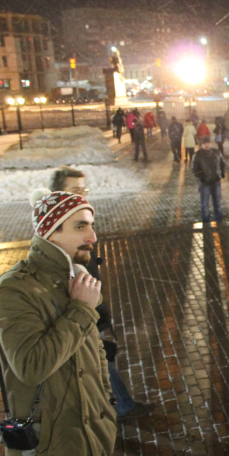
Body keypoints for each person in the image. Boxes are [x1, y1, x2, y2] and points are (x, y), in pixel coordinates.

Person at [0, 189, 116, 456]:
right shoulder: (15, 289)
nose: (92, 236)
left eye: (91, 225)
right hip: (52, 447)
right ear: (50, 231)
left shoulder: (74, 277)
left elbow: (91, 355)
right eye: (80, 226)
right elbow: (31, 366)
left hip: (84, 437)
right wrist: (81, 309)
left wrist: (106, 408)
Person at [48, 167, 155, 422]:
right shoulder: (59, 234)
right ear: (59, 194)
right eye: (75, 190)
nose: (82, 195)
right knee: (98, 358)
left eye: (83, 190)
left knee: (98, 358)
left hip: (88, 307)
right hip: (79, 311)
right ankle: (118, 408)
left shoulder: (78, 223)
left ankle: (111, 407)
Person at [192, 136, 226, 225]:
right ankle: (206, 223)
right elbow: (195, 169)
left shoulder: (216, 152)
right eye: (205, 143)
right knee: (204, 205)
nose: (207, 145)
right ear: (201, 145)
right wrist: (202, 177)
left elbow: (222, 163)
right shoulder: (198, 155)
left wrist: (221, 174)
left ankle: (219, 222)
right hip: (205, 183)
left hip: (216, 182)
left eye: (208, 143)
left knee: (217, 204)